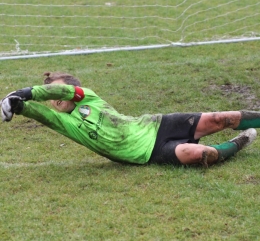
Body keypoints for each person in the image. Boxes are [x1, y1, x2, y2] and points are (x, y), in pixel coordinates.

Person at [0, 71, 259, 167]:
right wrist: (19, 106)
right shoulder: (66, 123)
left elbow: (63, 91)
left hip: (155, 124)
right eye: (49, 98)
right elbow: (42, 113)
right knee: (200, 154)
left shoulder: (88, 97)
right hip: (149, 152)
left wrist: (29, 92)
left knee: (220, 117)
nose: (52, 100)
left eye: (53, 92)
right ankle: (241, 141)